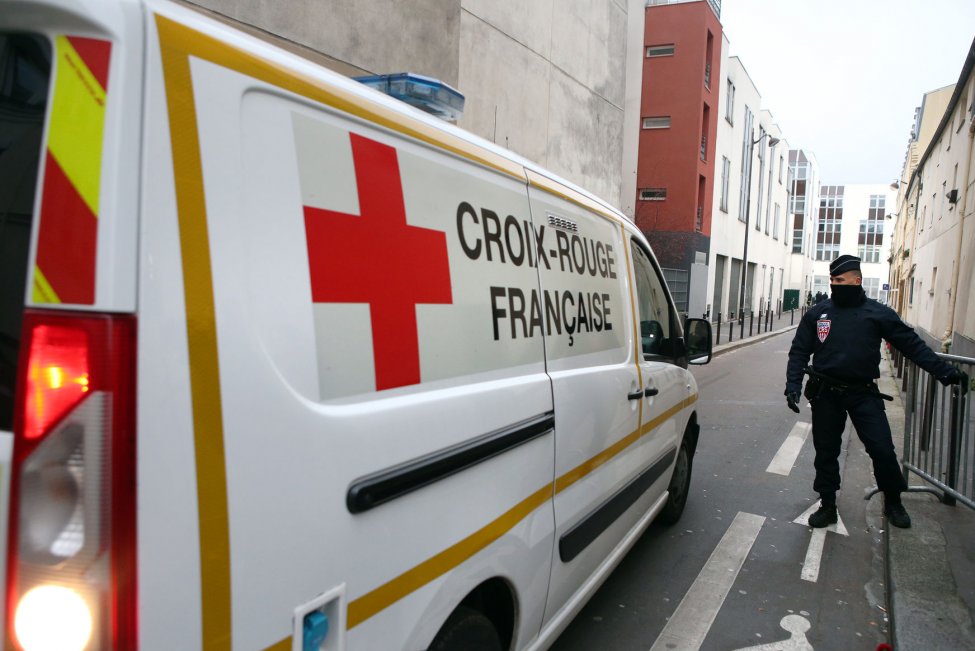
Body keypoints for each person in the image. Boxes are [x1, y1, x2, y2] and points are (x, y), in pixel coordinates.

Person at [784, 255, 968, 529]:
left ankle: (893, 501)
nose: (835, 285)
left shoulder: (877, 313)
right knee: (826, 452)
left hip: (863, 393)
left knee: (882, 449)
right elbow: (799, 351)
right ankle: (827, 504)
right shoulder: (818, 314)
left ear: (857, 281)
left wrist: (945, 371)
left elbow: (911, 345)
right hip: (826, 392)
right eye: (832, 280)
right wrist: (793, 385)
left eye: (841, 280)